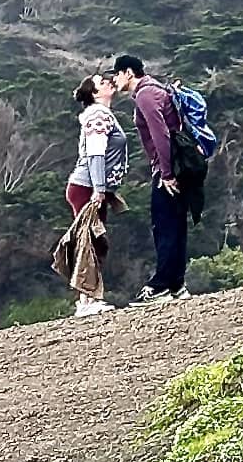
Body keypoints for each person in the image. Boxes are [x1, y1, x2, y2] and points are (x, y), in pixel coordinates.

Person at [112, 54, 203, 302]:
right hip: (178, 164)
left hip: (170, 167)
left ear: (129, 72)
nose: (115, 79)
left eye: (116, 73)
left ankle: (161, 284)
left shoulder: (145, 95)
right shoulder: (156, 89)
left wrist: (166, 174)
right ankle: (176, 283)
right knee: (175, 224)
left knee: (164, 225)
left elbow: (161, 135)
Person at [57, 74, 122, 317]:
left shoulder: (102, 114)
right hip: (86, 187)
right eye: (101, 82)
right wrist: (99, 188)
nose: (107, 82)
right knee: (89, 241)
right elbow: (96, 155)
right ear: (95, 93)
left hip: (89, 186)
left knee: (92, 241)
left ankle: (87, 297)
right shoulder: (97, 115)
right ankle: (87, 299)